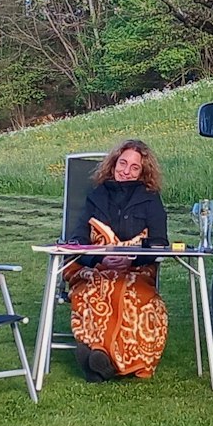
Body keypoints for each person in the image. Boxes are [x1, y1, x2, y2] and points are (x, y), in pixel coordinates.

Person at [65, 140, 171, 380]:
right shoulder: (96, 197)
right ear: (113, 165)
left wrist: (131, 260)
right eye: (123, 163)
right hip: (97, 267)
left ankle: (100, 358)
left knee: (133, 297)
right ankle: (105, 361)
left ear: (143, 172)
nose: (126, 171)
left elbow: (159, 242)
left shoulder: (150, 199)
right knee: (95, 291)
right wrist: (100, 258)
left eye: (135, 167)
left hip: (136, 268)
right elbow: (77, 239)